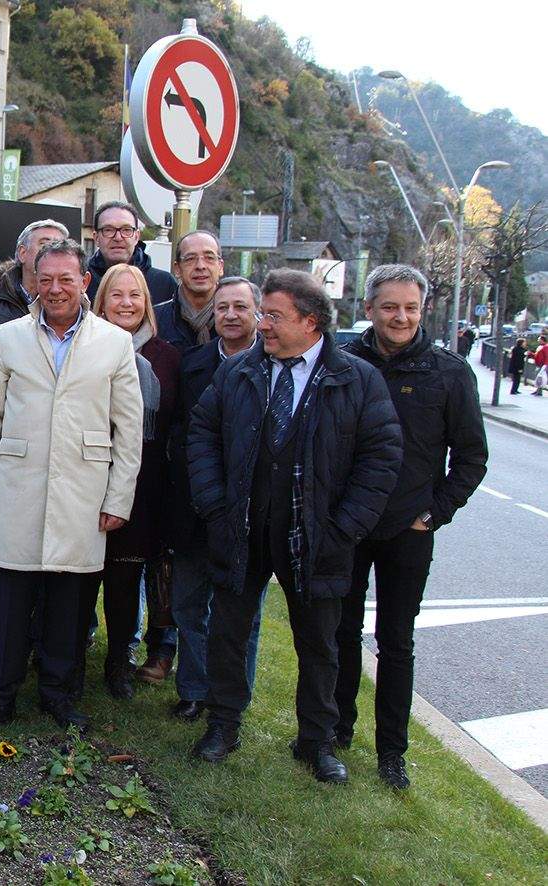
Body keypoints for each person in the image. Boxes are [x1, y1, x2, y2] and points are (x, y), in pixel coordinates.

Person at [187, 269, 403, 785]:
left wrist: (344, 528)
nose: (262, 325)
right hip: (242, 530)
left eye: (274, 316)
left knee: (320, 644)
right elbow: (202, 434)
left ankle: (316, 741)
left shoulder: (356, 379)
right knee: (228, 632)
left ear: (310, 322)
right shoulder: (239, 372)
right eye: (263, 314)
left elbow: (381, 458)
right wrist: (215, 506)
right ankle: (222, 725)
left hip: (318, 538)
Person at [0, 238, 144, 733]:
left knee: (70, 606)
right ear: (34, 283)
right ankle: (0, 696)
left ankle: (59, 696)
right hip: (18, 489)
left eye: (66, 279)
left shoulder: (114, 342)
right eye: (46, 280)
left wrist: (118, 498)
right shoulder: (9, 338)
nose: (56, 289)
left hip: (84, 494)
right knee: (12, 605)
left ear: (85, 281)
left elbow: (128, 430)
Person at [334, 264, 487, 790]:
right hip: (349, 524)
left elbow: (471, 458)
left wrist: (434, 513)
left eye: (410, 308)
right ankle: (336, 730)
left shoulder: (449, 373)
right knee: (340, 632)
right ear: (369, 309)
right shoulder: (344, 361)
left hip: (409, 531)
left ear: (423, 311)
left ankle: (391, 753)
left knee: (396, 643)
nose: (400, 317)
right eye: (390, 307)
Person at [75, 264, 179, 700]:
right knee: (79, 581)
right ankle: (70, 657)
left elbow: (173, 427)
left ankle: (119, 663)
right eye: (116, 295)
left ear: (147, 303)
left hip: (142, 485)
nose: (126, 303)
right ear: (101, 302)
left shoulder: (167, 357)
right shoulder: (83, 349)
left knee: (124, 582)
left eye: (135, 295)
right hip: (85, 479)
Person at [168, 277, 269, 722]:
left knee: (243, 615)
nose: (230, 315)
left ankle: (233, 696)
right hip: (195, 506)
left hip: (250, 512)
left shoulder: (275, 368)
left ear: (258, 313)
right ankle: (193, 690)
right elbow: (180, 433)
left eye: (240, 307)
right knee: (189, 606)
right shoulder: (192, 364)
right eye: (222, 307)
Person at [0, 219, 71, 325]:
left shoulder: (75, 306)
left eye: (60, 247)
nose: (53, 252)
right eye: (45, 244)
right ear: (23, 253)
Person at [84, 201, 178, 307]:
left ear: (136, 236)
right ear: (96, 237)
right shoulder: (81, 283)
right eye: (108, 230)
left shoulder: (163, 284)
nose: (118, 238)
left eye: (126, 230)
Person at [155, 231, 224, 351]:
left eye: (209, 258)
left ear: (220, 267)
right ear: (177, 269)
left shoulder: (235, 318)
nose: (200, 266)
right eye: (190, 259)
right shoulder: (155, 320)